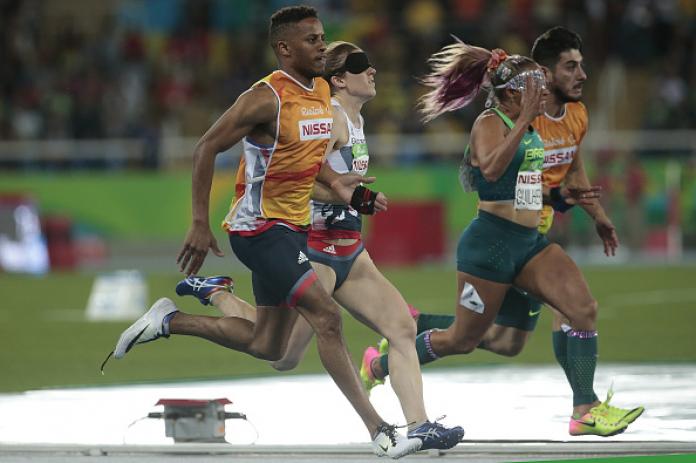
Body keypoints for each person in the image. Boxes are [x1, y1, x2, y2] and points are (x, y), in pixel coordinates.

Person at [103, 6, 420, 458]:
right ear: (284, 48)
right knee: (327, 318)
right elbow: (206, 146)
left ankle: (169, 321)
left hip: (292, 229)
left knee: (270, 346)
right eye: (311, 40)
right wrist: (198, 221)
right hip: (258, 230)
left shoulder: (322, 93)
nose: (322, 47)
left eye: (323, 38)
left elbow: (308, 160)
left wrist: (339, 186)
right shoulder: (266, 97)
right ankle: (381, 432)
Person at [175, 41, 464, 451]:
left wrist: (356, 199)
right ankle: (218, 294)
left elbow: (333, 181)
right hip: (314, 246)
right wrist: (352, 197)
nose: (373, 70)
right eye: (361, 65)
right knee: (282, 355)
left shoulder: (355, 120)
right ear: (339, 79)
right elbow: (297, 180)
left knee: (401, 327)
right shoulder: (329, 119)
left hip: (350, 248)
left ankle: (418, 425)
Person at [363, 27, 644, 437]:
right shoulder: (490, 123)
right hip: (491, 245)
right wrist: (527, 120)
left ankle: (585, 409)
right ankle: (380, 365)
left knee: (579, 310)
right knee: (463, 338)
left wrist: (567, 197)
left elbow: (529, 184)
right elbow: (491, 170)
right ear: (513, 92)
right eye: (534, 85)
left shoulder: (531, 123)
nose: (542, 90)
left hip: (529, 243)